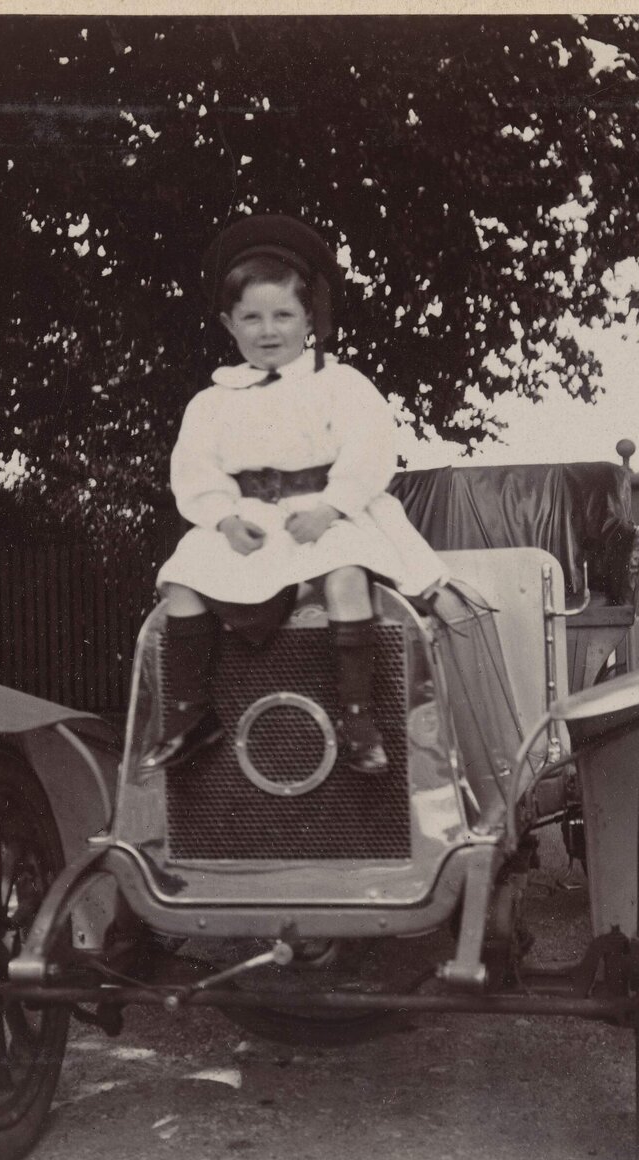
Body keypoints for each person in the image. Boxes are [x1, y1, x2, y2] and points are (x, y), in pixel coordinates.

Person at [154, 214, 446, 775]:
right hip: (252, 522)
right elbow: (196, 472)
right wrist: (222, 521)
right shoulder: (213, 401)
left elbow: (369, 452)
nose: (269, 331)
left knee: (344, 570)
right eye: (252, 318)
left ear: (309, 317)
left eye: (284, 315)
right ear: (228, 324)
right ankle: (191, 711)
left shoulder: (339, 384)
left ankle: (358, 715)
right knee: (182, 576)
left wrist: (331, 507)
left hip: (326, 512)